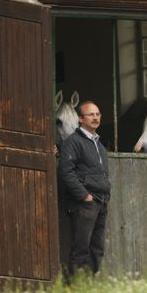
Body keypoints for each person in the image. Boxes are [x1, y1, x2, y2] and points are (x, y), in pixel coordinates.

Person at [58, 100, 111, 275]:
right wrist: (84, 196)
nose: (95, 118)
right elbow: (66, 172)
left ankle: (90, 285)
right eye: (91, 115)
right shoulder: (73, 142)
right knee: (81, 248)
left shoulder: (99, 145)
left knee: (98, 249)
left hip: (101, 202)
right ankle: (76, 286)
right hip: (84, 203)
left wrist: (106, 196)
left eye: (98, 114)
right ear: (80, 119)